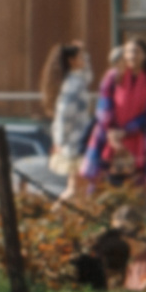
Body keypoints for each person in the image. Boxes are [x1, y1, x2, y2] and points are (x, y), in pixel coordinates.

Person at [81, 37, 146, 194]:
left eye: (137, 52)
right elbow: (104, 106)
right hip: (108, 137)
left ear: (145, 55)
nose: (132, 55)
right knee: (99, 184)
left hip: (136, 138)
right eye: (129, 51)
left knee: (135, 187)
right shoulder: (112, 77)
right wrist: (111, 131)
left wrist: (125, 131)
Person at [39, 39, 93, 197]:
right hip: (74, 145)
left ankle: (76, 220)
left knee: (80, 189)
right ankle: (55, 216)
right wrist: (60, 142)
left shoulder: (77, 80)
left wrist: (85, 53)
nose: (84, 60)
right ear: (72, 61)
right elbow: (64, 116)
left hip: (79, 141)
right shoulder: (72, 85)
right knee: (75, 188)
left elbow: (88, 76)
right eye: (81, 57)